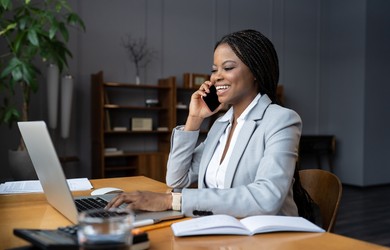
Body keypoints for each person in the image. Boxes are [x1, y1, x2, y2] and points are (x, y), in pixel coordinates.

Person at [106, 29, 302, 219]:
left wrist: (172, 201)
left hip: (267, 240)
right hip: (223, 231)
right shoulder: (221, 125)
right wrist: (194, 119)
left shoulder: (281, 120)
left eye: (228, 68)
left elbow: (266, 198)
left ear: (255, 72)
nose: (216, 77)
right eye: (214, 70)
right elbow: (177, 179)